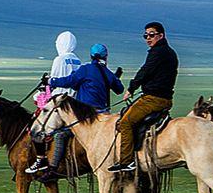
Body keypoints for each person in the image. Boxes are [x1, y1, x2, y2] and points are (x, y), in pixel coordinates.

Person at [26, 43, 123, 176]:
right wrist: (114, 78)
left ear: (91, 56)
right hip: (104, 115)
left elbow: (69, 81)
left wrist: (50, 81)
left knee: (61, 134)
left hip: (85, 115)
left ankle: (53, 168)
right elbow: (120, 89)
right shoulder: (107, 73)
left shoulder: (86, 69)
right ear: (106, 57)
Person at [108, 21, 177, 174]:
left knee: (125, 122)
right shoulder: (169, 52)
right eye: (145, 35)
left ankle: (127, 161)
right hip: (162, 97)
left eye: (151, 35)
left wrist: (131, 88)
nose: (148, 38)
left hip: (153, 99)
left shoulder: (158, 52)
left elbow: (145, 71)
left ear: (161, 35)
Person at [28, 31, 83, 175]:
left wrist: (43, 91)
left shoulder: (59, 60)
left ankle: (41, 159)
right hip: (74, 102)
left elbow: (54, 81)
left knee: (36, 126)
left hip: (59, 101)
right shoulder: (77, 60)